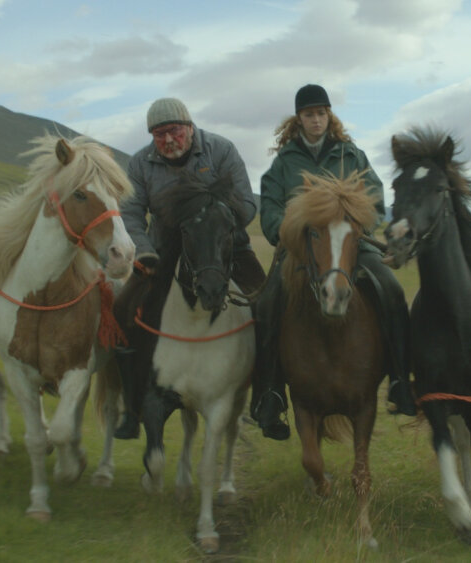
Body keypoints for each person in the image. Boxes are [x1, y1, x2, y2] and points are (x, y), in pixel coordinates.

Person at [252, 84, 416, 441]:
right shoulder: (284, 163)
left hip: (350, 245)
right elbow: (270, 206)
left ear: (329, 116)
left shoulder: (350, 155)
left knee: (390, 289)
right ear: (299, 119)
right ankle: (270, 393)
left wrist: (358, 224)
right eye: (309, 114)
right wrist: (288, 230)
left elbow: (374, 199)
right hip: (303, 249)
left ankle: (401, 381)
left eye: (321, 113)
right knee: (267, 303)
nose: (316, 120)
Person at [113, 97, 266, 439]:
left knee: (268, 304)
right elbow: (131, 212)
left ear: (189, 127)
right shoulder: (139, 164)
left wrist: (214, 220)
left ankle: (265, 397)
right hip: (164, 250)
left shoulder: (221, 150)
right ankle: (132, 406)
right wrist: (145, 252)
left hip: (224, 246)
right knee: (124, 308)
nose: (168, 140)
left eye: (174, 131)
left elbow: (246, 203)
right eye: (159, 134)